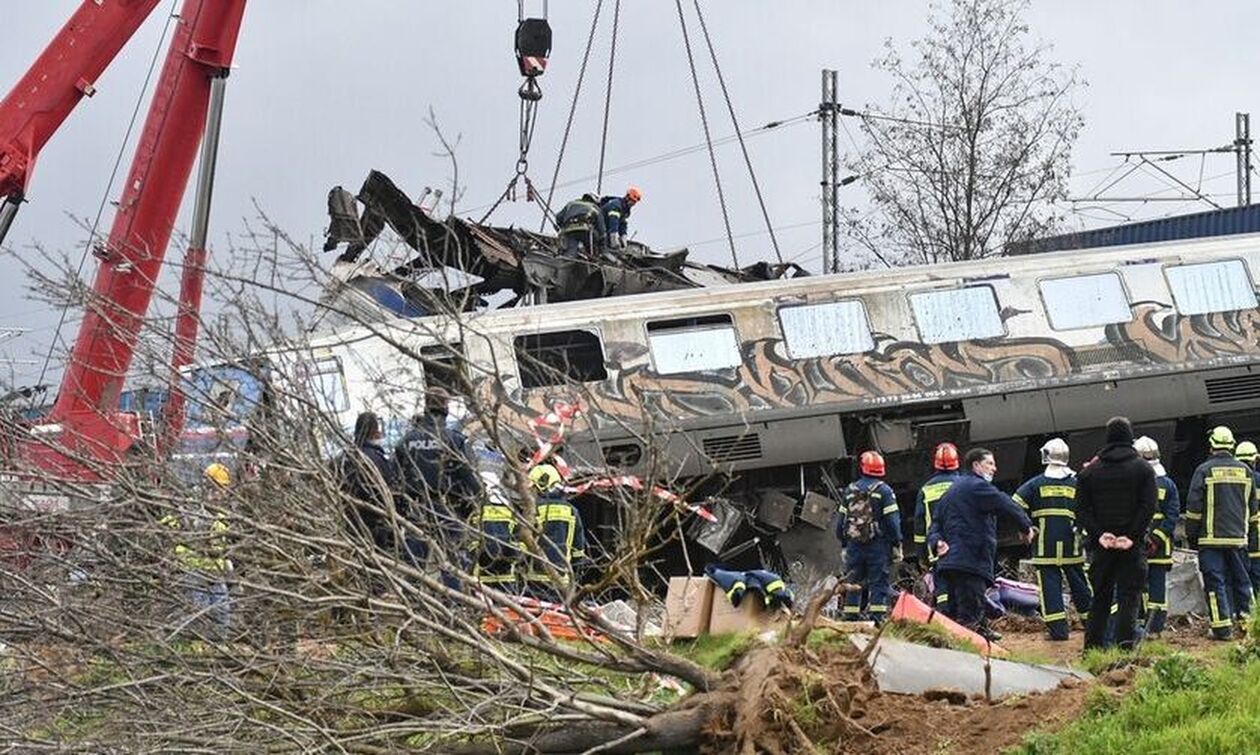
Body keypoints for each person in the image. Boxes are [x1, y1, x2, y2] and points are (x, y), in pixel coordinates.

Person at [928, 448, 1034, 640]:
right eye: (990, 463)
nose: (995, 468)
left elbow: (935, 523)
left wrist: (936, 542)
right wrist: (1026, 526)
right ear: (976, 465)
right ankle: (972, 651)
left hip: (950, 562)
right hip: (969, 560)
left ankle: (980, 632)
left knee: (959, 610)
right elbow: (1004, 503)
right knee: (969, 615)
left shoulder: (952, 490)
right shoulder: (977, 487)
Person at [1076, 417, 1157, 650]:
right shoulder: (1143, 469)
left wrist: (1100, 534)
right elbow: (1148, 506)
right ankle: (1124, 648)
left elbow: (1081, 509)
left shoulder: (1090, 472)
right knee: (1128, 598)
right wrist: (1131, 535)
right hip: (1131, 546)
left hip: (1102, 546)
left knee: (1100, 598)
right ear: (1130, 437)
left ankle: (1092, 649)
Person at [1013, 439, 1092, 641]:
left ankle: (1058, 631)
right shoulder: (1077, 483)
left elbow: (1014, 505)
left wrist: (1026, 527)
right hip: (1071, 546)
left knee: (1050, 590)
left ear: (1046, 456)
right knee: (1081, 586)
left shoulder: (1035, 484)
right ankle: (1092, 624)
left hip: (1045, 546)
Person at [1185, 426, 1254, 639]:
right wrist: (1248, 536)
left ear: (1212, 445)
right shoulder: (1246, 471)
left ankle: (1222, 629)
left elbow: (1194, 507)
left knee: (1216, 584)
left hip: (1210, 539)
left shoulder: (1204, 470)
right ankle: (1250, 626)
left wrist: (1192, 535)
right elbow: (1253, 508)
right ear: (1231, 445)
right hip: (1238, 539)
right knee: (1243, 582)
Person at [161, 463, 233, 638]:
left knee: (221, 613)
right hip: (193, 571)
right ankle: (191, 645)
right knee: (197, 613)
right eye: (218, 489)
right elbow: (166, 527)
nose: (220, 494)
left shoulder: (222, 514)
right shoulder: (191, 510)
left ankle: (219, 647)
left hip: (215, 572)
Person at [837, 451, 902, 623]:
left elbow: (840, 523)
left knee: (853, 582)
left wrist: (844, 544)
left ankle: (850, 618)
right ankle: (876, 620)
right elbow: (892, 522)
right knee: (878, 583)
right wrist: (896, 542)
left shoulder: (850, 491)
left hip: (854, 546)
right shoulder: (884, 491)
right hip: (877, 546)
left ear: (862, 468)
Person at [1134, 436, 1179, 635]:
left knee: (1143, 585)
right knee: (1158, 588)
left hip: (1141, 545)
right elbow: (1172, 515)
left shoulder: (1136, 483)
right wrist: (1158, 538)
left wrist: (1149, 539)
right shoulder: (1169, 484)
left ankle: (1146, 624)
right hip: (1160, 548)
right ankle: (1155, 627)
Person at [522, 463, 588, 600]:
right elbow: (578, 550)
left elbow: (522, 544)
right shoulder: (572, 511)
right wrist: (576, 572)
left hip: (534, 581)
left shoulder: (532, 511)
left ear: (541, 485)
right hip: (562, 580)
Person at [336, 411, 400, 550]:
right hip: (374, 521)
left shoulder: (344, 457)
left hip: (351, 521)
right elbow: (389, 488)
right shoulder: (376, 458)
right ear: (373, 431)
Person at [913, 442, 960, 610]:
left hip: (937, 548)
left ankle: (945, 619)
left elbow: (919, 526)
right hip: (961, 548)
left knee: (943, 590)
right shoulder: (964, 484)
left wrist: (922, 556)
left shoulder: (926, 489)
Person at [1235, 440, 1260, 600]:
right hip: (1257, 539)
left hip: (1240, 537)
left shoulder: (1236, 480)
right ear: (1254, 460)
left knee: (1242, 581)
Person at [599, 186, 642, 250]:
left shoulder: (625, 210)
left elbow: (622, 224)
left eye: (634, 202)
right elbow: (613, 222)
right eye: (632, 201)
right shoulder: (616, 205)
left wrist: (623, 237)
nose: (633, 204)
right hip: (600, 229)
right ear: (627, 198)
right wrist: (614, 239)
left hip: (606, 231)